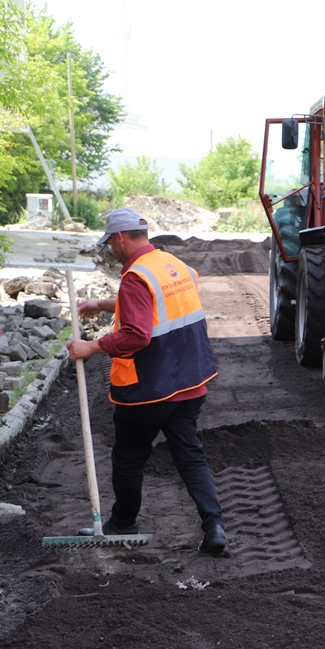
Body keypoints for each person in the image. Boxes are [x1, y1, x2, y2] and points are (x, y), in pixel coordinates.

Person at [66, 207, 226, 554]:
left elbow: (137, 334)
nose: (110, 249)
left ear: (120, 238)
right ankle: (214, 527)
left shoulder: (136, 276)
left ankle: (123, 522)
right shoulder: (172, 264)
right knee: (190, 456)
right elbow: (153, 303)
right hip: (190, 382)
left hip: (151, 389)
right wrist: (102, 304)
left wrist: (91, 346)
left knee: (129, 456)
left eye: (110, 243)